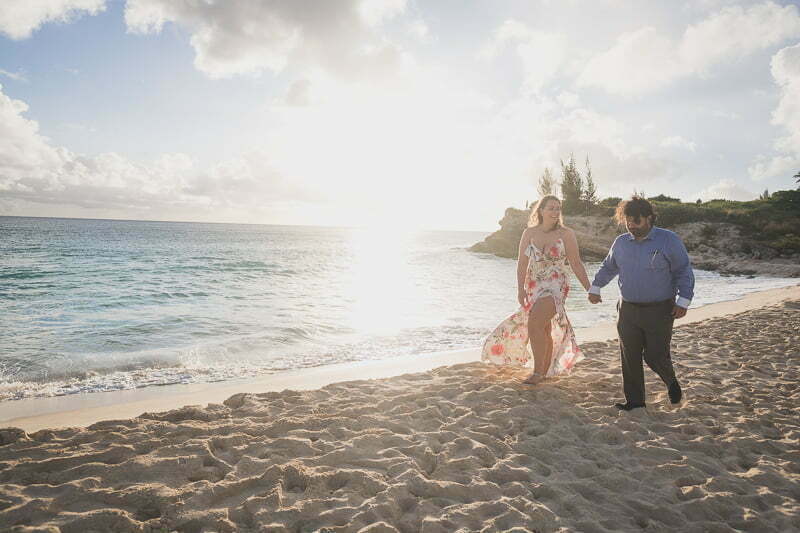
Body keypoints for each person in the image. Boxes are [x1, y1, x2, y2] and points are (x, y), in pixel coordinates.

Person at [588, 196, 695, 411]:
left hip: (660, 309)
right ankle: (635, 402)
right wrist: (595, 287)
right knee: (630, 355)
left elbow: (683, 270)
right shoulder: (620, 242)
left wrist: (684, 300)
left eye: (636, 221)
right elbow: (609, 267)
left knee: (655, 355)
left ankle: (671, 381)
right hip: (627, 309)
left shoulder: (668, 240)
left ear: (649, 218)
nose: (631, 226)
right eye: (627, 221)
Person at [482, 195, 592, 384]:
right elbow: (522, 263)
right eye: (551, 208)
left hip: (557, 284)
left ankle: (537, 373)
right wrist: (520, 289)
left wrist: (590, 289)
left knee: (534, 324)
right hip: (534, 284)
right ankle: (545, 370)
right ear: (540, 210)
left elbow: (575, 263)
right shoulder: (529, 233)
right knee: (543, 327)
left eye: (558, 208)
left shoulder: (566, 234)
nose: (555, 212)